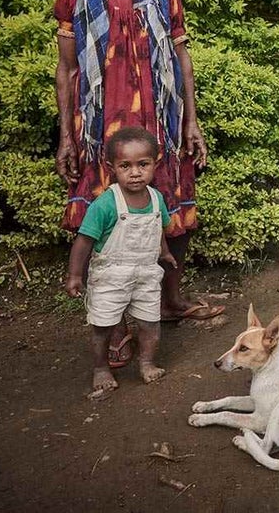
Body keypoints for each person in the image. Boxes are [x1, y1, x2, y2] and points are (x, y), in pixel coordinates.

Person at [54, 0, 222, 371]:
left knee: (170, 208)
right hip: (102, 128)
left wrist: (191, 119)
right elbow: (66, 72)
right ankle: (116, 321)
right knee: (106, 217)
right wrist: (67, 136)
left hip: (160, 123)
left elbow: (181, 58)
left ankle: (168, 301)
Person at [65, 127, 177, 395]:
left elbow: (158, 228)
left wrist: (164, 252)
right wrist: (75, 276)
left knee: (150, 322)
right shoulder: (106, 204)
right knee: (103, 325)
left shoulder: (156, 199)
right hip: (111, 276)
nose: (135, 172)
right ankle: (101, 367)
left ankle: (147, 363)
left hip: (147, 274)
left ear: (155, 164)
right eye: (125, 166)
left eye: (143, 164)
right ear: (111, 167)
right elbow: (84, 241)